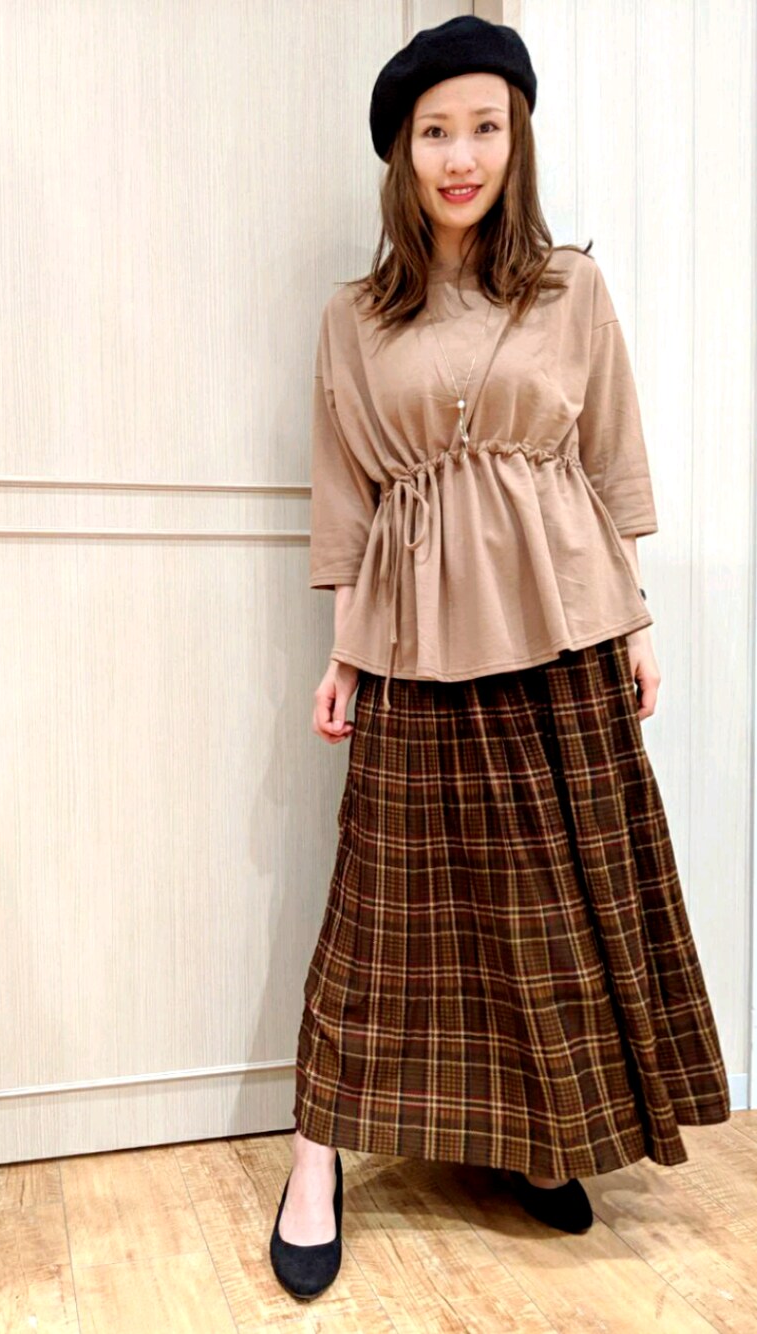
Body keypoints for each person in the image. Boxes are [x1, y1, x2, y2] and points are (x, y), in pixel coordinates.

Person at [269, 14, 732, 1303]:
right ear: (402, 153)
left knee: (548, 905)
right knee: (383, 915)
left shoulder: (570, 289)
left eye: (484, 126)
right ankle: (315, 1164)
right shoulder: (355, 317)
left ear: (516, 137)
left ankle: (537, 1139)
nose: (461, 155)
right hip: (415, 638)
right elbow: (348, 497)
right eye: (435, 132)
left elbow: (609, 459)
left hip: (565, 626)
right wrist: (344, 657)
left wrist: (637, 623)